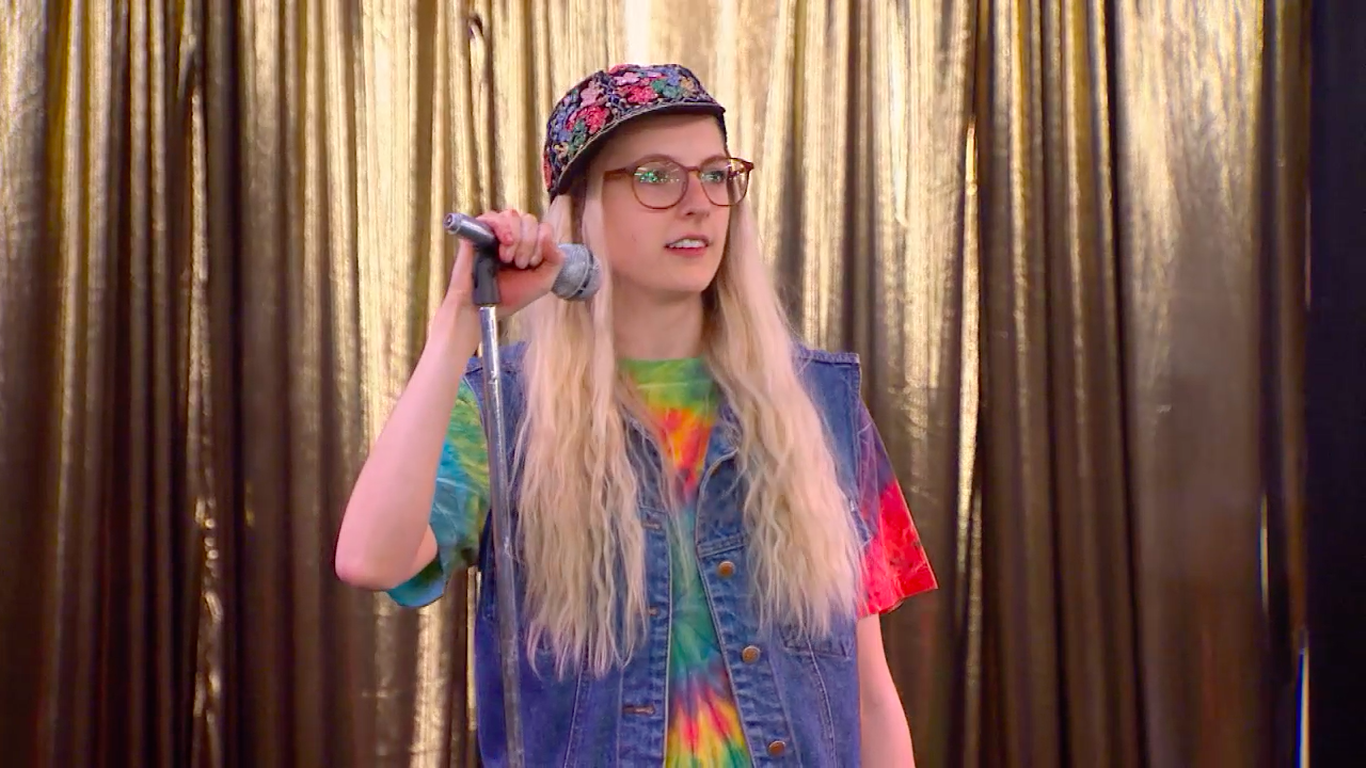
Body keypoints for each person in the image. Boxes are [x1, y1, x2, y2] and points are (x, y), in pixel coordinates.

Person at [335, 62, 937, 767]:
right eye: (656, 176)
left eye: (716, 174)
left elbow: (869, 696)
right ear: (581, 207)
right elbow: (369, 559)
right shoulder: (507, 410)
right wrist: (459, 326)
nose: (698, 203)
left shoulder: (820, 406)